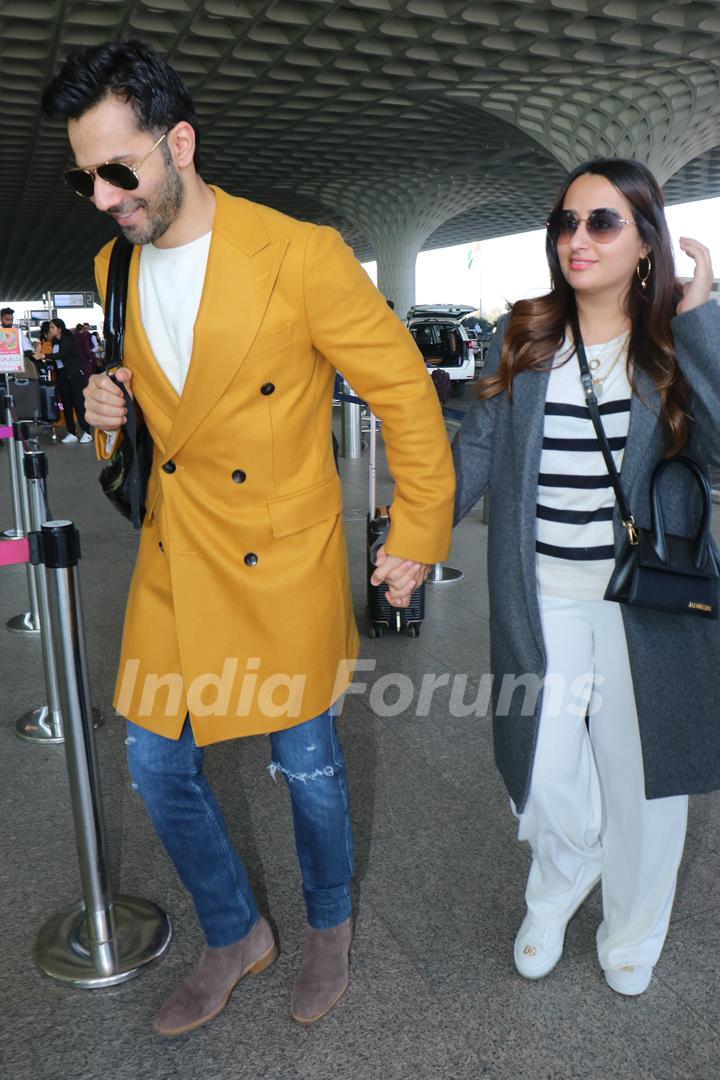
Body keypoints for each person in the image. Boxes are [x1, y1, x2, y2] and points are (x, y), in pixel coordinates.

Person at [41, 40, 454, 1036]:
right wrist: (107, 406)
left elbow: (401, 390)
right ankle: (235, 932)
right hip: (180, 559)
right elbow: (152, 414)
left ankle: (330, 926)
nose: (101, 197)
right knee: (154, 764)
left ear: (179, 142)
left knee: (307, 765)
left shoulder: (298, 255)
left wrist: (415, 531)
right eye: (83, 176)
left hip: (281, 559)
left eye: (118, 170)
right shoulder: (114, 266)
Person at [452, 158, 720, 997]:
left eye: (602, 223)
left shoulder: (674, 347)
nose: (577, 239)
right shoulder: (528, 333)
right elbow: (481, 451)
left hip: (648, 597)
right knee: (540, 772)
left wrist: (704, 319)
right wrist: (413, 536)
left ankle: (634, 927)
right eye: (566, 223)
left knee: (647, 780)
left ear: (645, 244)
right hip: (542, 594)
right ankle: (564, 879)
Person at [46, 318, 93, 443]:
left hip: (75, 375)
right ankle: (71, 432)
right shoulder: (55, 341)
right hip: (63, 376)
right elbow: (56, 358)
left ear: (59, 328)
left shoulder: (68, 339)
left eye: (52, 327)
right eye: (50, 328)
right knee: (66, 405)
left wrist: (44, 356)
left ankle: (87, 431)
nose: (50, 330)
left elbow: (62, 354)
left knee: (79, 403)